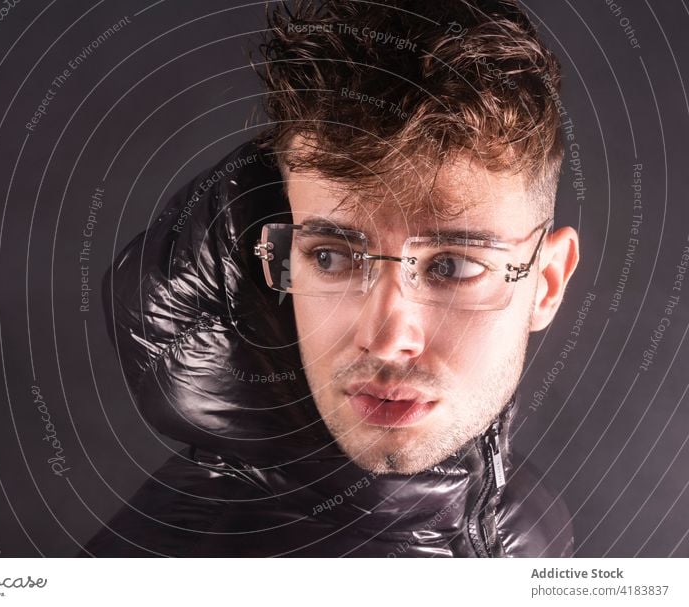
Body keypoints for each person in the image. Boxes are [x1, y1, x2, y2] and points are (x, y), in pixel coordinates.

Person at [81, 0, 580, 557]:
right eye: (332, 257)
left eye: (452, 266)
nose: (389, 339)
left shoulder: (514, 510)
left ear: (548, 281)